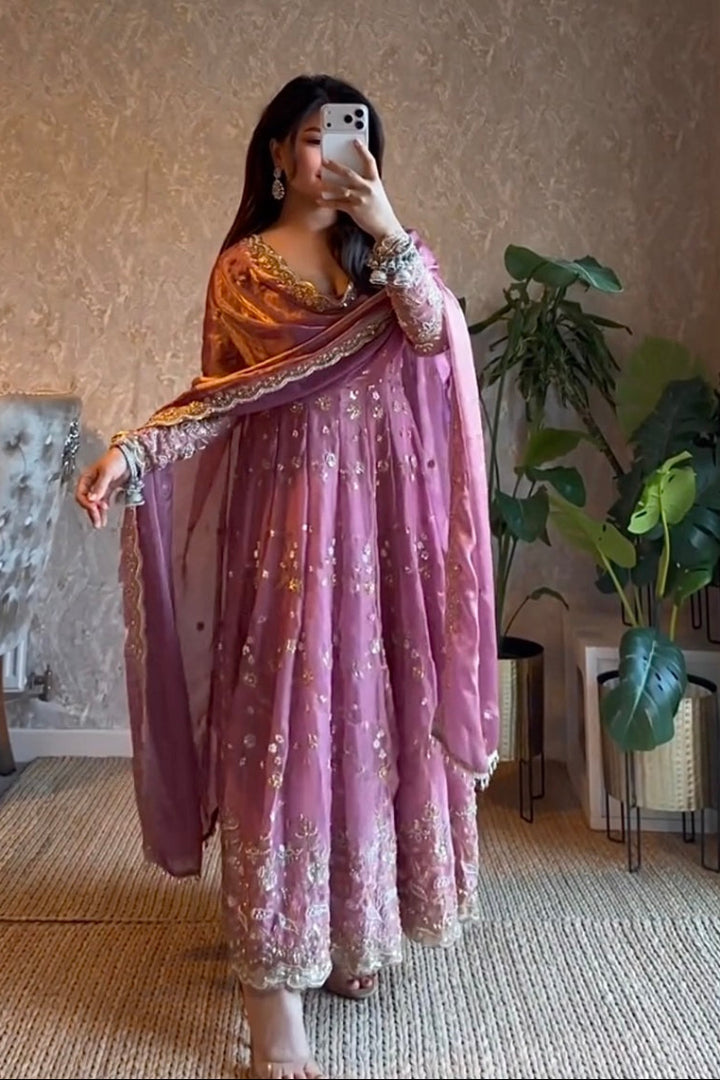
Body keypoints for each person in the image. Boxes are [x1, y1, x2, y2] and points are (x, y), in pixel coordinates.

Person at [75, 73, 499, 1080]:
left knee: (373, 728)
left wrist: (383, 218)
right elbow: (220, 399)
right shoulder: (244, 270)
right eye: (310, 139)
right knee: (282, 740)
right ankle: (275, 1017)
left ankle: (351, 934)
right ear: (274, 155)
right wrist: (132, 454)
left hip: (381, 547)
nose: (329, 156)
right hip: (287, 545)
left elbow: (438, 337)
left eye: (349, 139)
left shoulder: (388, 261)